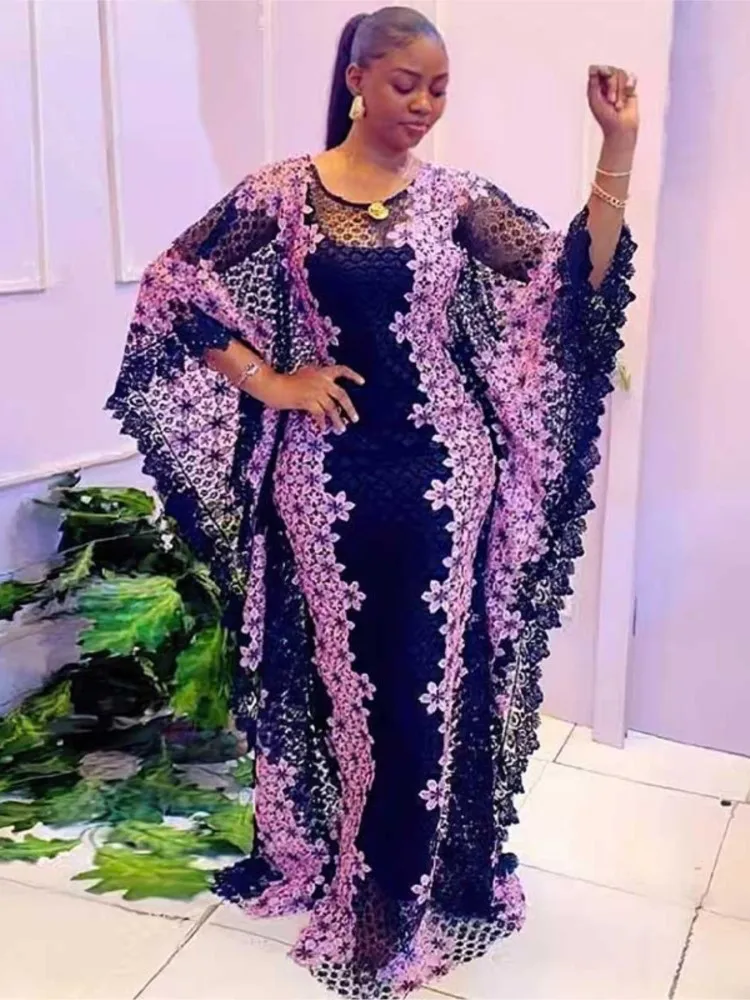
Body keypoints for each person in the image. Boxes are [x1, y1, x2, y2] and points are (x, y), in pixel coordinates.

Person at [108, 6, 637, 996]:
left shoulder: (458, 201)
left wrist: (618, 146)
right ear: (357, 80)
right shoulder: (282, 194)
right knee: (352, 683)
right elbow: (174, 285)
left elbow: (576, 279)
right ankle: (364, 873)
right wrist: (270, 380)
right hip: (323, 479)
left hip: (447, 475)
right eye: (407, 84)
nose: (425, 105)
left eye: (440, 89)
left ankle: (408, 887)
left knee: (424, 679)